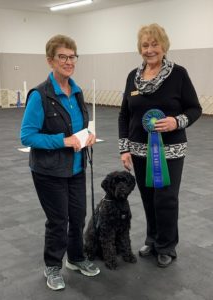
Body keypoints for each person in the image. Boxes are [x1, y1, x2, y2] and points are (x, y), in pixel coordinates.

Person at [118, 24, 202, 268]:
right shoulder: (132, 76)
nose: (150, 49)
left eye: (154, 44)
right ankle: (152, 239)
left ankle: (167, 245)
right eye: (145, 45)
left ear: (164, 46)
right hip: (138, 149)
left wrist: (177, 121)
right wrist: (124, 148)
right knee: (147, 198)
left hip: (170, 150)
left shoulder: (179, 74)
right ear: (139, 49)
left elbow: (195, 109)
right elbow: (124, 114)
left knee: (166, 198)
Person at [20, 34, 100, 291]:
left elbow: (79, 127)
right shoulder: (39, 96)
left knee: (78, 216)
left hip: (76, 167)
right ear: (50, 61)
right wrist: (62, 141)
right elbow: (28, 135)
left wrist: (88, 135)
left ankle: (76, 259)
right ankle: (53, 266)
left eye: (72, 56)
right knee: (58, 220)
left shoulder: (76, 92)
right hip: (48, 171)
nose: (68, 61)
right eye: (62, 57)